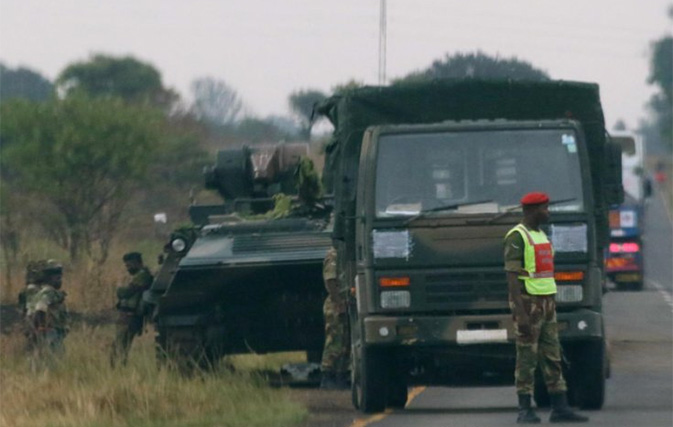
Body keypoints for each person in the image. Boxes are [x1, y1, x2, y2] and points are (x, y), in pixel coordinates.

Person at [504, 192, 588, 424]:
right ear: (531, 211)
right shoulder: (517, 237)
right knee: (527, 357)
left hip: (547, 302)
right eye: (544, 208)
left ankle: (560, 407)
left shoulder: (540, 235)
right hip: (528, 303)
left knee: (552, 355)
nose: (548, 212)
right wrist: (520, 314)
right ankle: (524, 409)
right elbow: (511, 277)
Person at [110, 252, 153, 366]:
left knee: (120, 344)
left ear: (136, 263)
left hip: (130, 315)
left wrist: (119, 290)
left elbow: (127, 292)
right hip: (129, 314)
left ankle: (117, 367)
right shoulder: (141, 275)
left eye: (129, 265)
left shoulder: (142, 275)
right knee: (121, 344)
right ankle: (119, 366)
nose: (127, 268)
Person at [25, 259, 68, 369]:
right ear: (49, 279)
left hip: (50, 330)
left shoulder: (42, 291)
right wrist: (42, 326)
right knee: (54, 358)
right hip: (50, 330)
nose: (60, 281)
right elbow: (40, 308)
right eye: (57, 278)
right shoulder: (49, 292)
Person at [320, 246, 350, 389]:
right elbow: (330, 280)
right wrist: (338, 302)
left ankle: (341, 375)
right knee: (334, 340)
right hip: (335, 304)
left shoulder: (345, 252)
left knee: (344, 342)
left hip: (345, 302)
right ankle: (327, 375)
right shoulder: (334, 254)